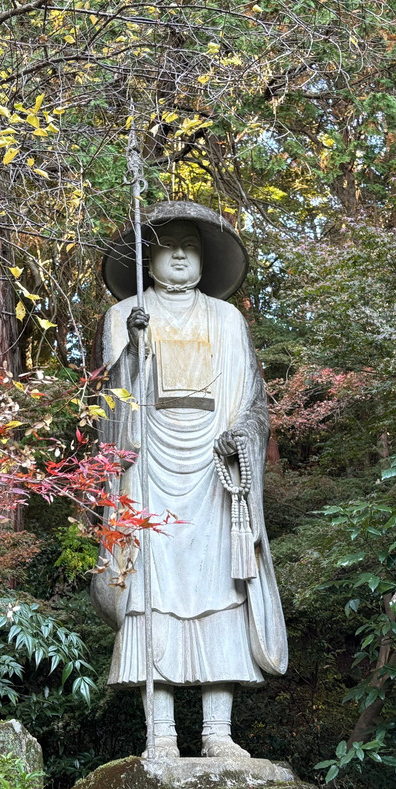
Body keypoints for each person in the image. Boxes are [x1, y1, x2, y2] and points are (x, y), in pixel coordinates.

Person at [91, 201, 287, 759]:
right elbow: (111, 402)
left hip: (214, 463)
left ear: (203, 259)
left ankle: (218, 732)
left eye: (191, 245)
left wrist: (238, 436)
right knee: (150, 587)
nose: (179, 253)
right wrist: (130, 347)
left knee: (219, 586)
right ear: (148, 257)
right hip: (147, 454)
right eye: (168, 243)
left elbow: (253, 401)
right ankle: (160, 734)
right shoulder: (124, 313)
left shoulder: (228, 320)